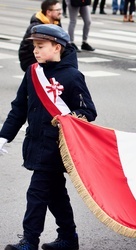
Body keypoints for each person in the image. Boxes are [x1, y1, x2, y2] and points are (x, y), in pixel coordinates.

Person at [0, 24, 97, 250]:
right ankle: (68, 237)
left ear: (57, 47)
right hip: (36, 142)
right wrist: (4, 136)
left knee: (36, 193)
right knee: (55, 194)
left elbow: (88, 111)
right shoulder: (33, 72)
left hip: (56, 147)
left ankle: (29, 241)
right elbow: (19, 108)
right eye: (34, 46)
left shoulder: (72, 76)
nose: (35, 51)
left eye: (40, 46)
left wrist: (69, 118)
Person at [18, 0, 62, 72]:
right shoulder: (36, 27)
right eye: (57, 10)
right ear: (48, 12)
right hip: (31, 59)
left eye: (60, 9)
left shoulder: (55, 22)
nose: (60, 12)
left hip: (46, 55)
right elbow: (32, 47)